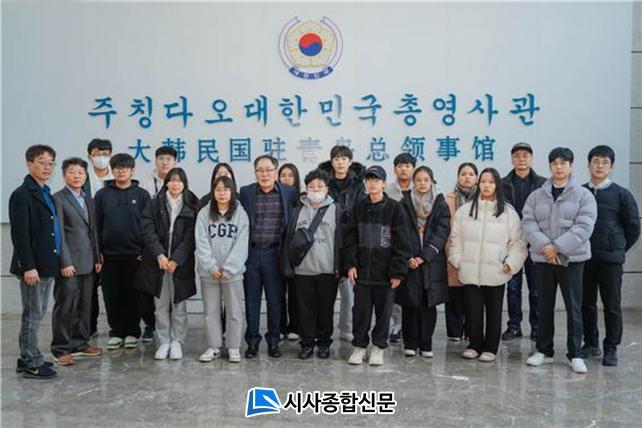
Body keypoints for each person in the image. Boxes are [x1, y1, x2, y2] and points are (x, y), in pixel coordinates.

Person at [523, 147, 597, 374]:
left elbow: (584, 226)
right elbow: (528, 223)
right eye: (555, 163)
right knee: (544, 305)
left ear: (571, 166)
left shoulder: (584, 195)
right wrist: (546, 247)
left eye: (563, 163)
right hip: (543, 260)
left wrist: (557, 247)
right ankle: (544, 351)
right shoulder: (537, 195)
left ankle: (575, 354)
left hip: (571, 260)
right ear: (550, 166)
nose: (559, 167)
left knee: (574, 307)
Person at [449, 168, 527, 362]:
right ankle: (474, 344)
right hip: (470, 270)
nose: (486, 185)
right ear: (478, 184)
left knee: (494, 311)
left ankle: (491, 347)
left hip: (495, 271)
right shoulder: (465, 211)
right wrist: (458, 260)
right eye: (483, 181)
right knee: (472, 311)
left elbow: (518, 243)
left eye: (491, 182)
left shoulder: (507, 212)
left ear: (497, 185)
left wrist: (510, 264)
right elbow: (455, 239)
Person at [344, 165, 411, 366]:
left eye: (376, 180)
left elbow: (403, 243)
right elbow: (350, 239)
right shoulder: (358, 208)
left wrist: (398, 272)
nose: (372, 183)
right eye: (369, 180)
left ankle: (379, 347)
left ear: (383, 183)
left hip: (386, 274)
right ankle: (359, 346)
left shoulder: (395, 209)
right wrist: (351, 264)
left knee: (384, 313)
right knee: (361, 312)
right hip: (362, 272)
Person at [580, 145, 640, 366]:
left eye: (605, 162)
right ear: (588, 165)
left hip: (610, 260)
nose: (600, 166)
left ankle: (611, 347)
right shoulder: (580, 192)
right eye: (596, 161)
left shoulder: (622, 194)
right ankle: (590, 343)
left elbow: (633, 227)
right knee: (586, 303)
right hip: (584, 258)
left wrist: (618, 247)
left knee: (612, 305)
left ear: (611, 167)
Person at [239, 155, 298, 358]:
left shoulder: (289, 192)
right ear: (255, 172)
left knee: (275, 301)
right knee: (252, 301)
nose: (265, 174)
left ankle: (274, 341)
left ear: (276, 172)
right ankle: (252, 342)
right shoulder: (246, 192)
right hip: (251, 254)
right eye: (260, 170)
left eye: (269, 170)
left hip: (276, 254)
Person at [281, 169, 344, 359]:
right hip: (302, 271)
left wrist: (340, 267)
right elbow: (289, 239)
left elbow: (342, 241)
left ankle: (324, 343)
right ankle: (307, 343)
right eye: (312, 186)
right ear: (306, 188)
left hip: (327, 270)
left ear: (327, 188)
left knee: (325, 310)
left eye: (320, 186)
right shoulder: (297, 211)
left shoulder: (337, 210)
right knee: (305, 311)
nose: (316, 190)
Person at [137, 168, 199, 360]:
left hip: (181, 263)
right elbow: (147, 230)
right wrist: (160, 255)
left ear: (184, 183)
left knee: (179, 304)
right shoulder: (155, 203)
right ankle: (163, 341)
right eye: (172, 180)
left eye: (179, 181)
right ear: (166, 183)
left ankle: (177, 341)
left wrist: (176, 259)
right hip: (158, 263)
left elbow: (191, 237)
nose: (175, 184)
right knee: (160, 305)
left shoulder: (192, 203)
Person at [9, 145, 60, 379]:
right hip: (33, 267)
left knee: (37, 313)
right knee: (32, 314)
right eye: (41, 162)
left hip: (46, 263)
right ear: (30, 164)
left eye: (51, 163)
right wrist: (28, 266)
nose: (47, 167)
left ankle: (26, 356)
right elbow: (20, 235)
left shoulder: (45, 191)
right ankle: (31, 362)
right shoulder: (21, 195)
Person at [95, 153, 151, 350]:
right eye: (117, 168)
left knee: (134, 296)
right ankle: (116, 332)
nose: (121, 172)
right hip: (109, 256)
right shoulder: (102, 195)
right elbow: (96, 226)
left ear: (132, 171)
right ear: (112, 170)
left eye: (124, 168)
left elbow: (148, 225)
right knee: (112, 296)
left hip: (135, 255)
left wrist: (145, 251)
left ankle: (133, 332)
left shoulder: (142, 195)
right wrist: (98, 252)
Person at [50, 158, 103, 367]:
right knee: (66, 306)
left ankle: (80, 343)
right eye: (72, 172)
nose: (76, 176)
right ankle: (61, 348)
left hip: (89, 261)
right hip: (69, 264)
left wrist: (97, 257)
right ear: (64, 175)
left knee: (85, 305)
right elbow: (59, 234)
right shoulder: (58, 199)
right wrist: (64, 262)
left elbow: (93, 231)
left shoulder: (89, 199)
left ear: (86, 175)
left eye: (80, 172)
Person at [397, 166, 450, 358]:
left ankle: (426, 344)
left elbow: (441, 232)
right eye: (418, 179)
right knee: (409, 303)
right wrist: (409, 257)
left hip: (431, 261)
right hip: (409, 260)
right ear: (413, 182)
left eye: (426, 180)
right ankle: (410, 343)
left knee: (428, 303)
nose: (422, 183)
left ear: (432, 182)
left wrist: (424, 256)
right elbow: (400, 232)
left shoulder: (440, 204)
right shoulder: (404, 203)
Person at [196, 176, 249, 363]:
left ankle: (234, 346)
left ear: (232, 192)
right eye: (218, 189)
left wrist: (229, 268)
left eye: (226, 189)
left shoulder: (241, 214)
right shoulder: (204, 213)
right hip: (209, 272)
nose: (222, 193)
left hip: (232, 274)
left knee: (234, 311)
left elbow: (242, 243)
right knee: (211, 311)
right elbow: (201, 242)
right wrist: (210, 266)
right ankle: (214, 346)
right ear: (213, 192)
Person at [318, 145, 366, 343]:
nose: (340, 162)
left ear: (350, 161)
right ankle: (322, 331)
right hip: (326, 238)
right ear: (332, 161)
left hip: (350, 240)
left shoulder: (359, 184)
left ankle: (346, 328)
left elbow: (362, 209)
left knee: (349, 290)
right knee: (324, 291)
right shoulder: (322, 182)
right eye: (336, 159)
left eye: (344, 159)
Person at [501, 142, 546, 342]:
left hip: (536, 241)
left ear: (531, 159)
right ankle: (514, 326)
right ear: (512, 159)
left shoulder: (543, 183)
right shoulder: (502, 183)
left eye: (525, 155)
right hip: (512, 242)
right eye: (517, 156)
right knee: (513, 287)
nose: (521, 159)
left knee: (536, 288)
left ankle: (536, 327)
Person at [139, 147, 179, 343]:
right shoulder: (145, 186)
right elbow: (143, 221)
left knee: (173, 293)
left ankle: (173, 333)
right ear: (155, 161)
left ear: (175, 162)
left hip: (174, 249)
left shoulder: (180, 185)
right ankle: (150, 326)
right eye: (161, 159)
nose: (165, 162)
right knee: (150, 289)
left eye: (169, 159)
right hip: (151, 247)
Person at [82, 138, 113, 340]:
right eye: (96, 154)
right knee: (89, 289)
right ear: (89, 156)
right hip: (87, 242)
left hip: (112, 241)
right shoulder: (82, 179)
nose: (101, 157)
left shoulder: (116, 177)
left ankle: (118, 328)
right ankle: (89, 327)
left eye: (104, 154)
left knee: (114, 289)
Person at [444, 162, 478, 341]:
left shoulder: (483, 199)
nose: (467, 177)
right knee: (454, 293)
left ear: (476, 178)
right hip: (453, 249)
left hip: (475, 251)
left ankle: (471, 330)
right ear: (458, 177)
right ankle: (454, 331)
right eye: (463, 174)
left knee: (472, 293)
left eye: (471, 174)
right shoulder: (448, 198)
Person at [385, 153, 416, 344]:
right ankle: (397, 325)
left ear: (413, 168)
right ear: (394, 169)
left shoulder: (421, 188)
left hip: (416, 246)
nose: (403, 169)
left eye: (407, 165)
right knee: (394, 288)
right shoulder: (387, 191)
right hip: (392, 247)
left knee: (412, 288)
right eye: (400, 165)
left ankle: (411, 326)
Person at [278, 162, 302, 341]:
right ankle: (280, 326)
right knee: (278, 291)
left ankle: (295, 326)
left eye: (290, 175)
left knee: (295, 292)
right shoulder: (275, 196)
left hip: (295, 251)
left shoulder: (302, 199)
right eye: (283, 175)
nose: (286, 179)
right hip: (277, 249)